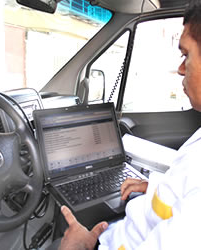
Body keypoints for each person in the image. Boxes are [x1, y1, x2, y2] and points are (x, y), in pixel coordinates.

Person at [56, 1, 201, 249]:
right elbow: (186, 188)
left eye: (186, 54)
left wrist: (79, 246)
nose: (179, 69)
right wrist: (155, 188)